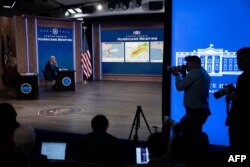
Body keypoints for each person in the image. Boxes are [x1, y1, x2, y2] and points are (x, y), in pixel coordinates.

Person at [170, 55, 211, 133]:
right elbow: (192, 86)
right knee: (196, 133)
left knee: (189, 134)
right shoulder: (203, 72)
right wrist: (184, 75)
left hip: (194, 111)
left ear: (194, 63)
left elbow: (179, 87)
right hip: (202, 110)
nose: (186, 66)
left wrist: (177, 75)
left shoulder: (195, 72)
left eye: (188, 63)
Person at [226, 47, 250, 156]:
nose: (238, 63)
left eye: (241, 60)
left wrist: (234, 97)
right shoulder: (243, 77)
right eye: (237, 60)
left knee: (237, 152)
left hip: (240, 124)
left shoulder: (244, 77)